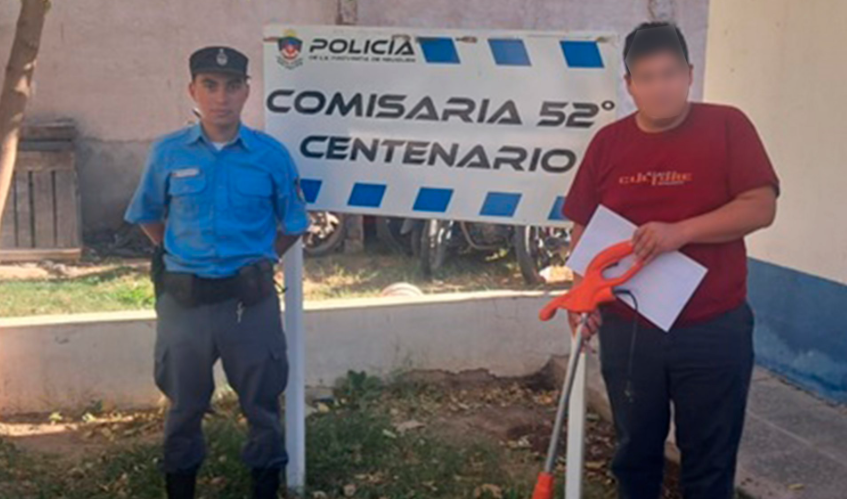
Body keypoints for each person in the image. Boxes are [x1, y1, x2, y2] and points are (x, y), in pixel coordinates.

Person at [562, 22, 779, 499]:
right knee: (634, 458)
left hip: (712, 327)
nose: (660, 88)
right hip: (629, 329)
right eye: (647, 77)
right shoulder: (608, 143)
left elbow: (760, 206)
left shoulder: (728, 126)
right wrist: (582, 292)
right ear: (630, 85)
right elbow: (583, 227)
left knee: (709, 462)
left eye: (670, 74)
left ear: (689, 74)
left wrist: (680, 232)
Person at [125, 46, 309, 499]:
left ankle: (265, 489)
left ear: (246, 91)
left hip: (250, 304)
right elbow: (147, 214)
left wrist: (263, 259)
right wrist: (179, 253)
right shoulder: (167, 152)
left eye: (232, 86)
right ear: (193, 90)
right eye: (210, 85)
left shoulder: (270, 155)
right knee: (183, 408)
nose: (221, 97)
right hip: (185, 305)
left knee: (262, 408)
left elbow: (294, 223)